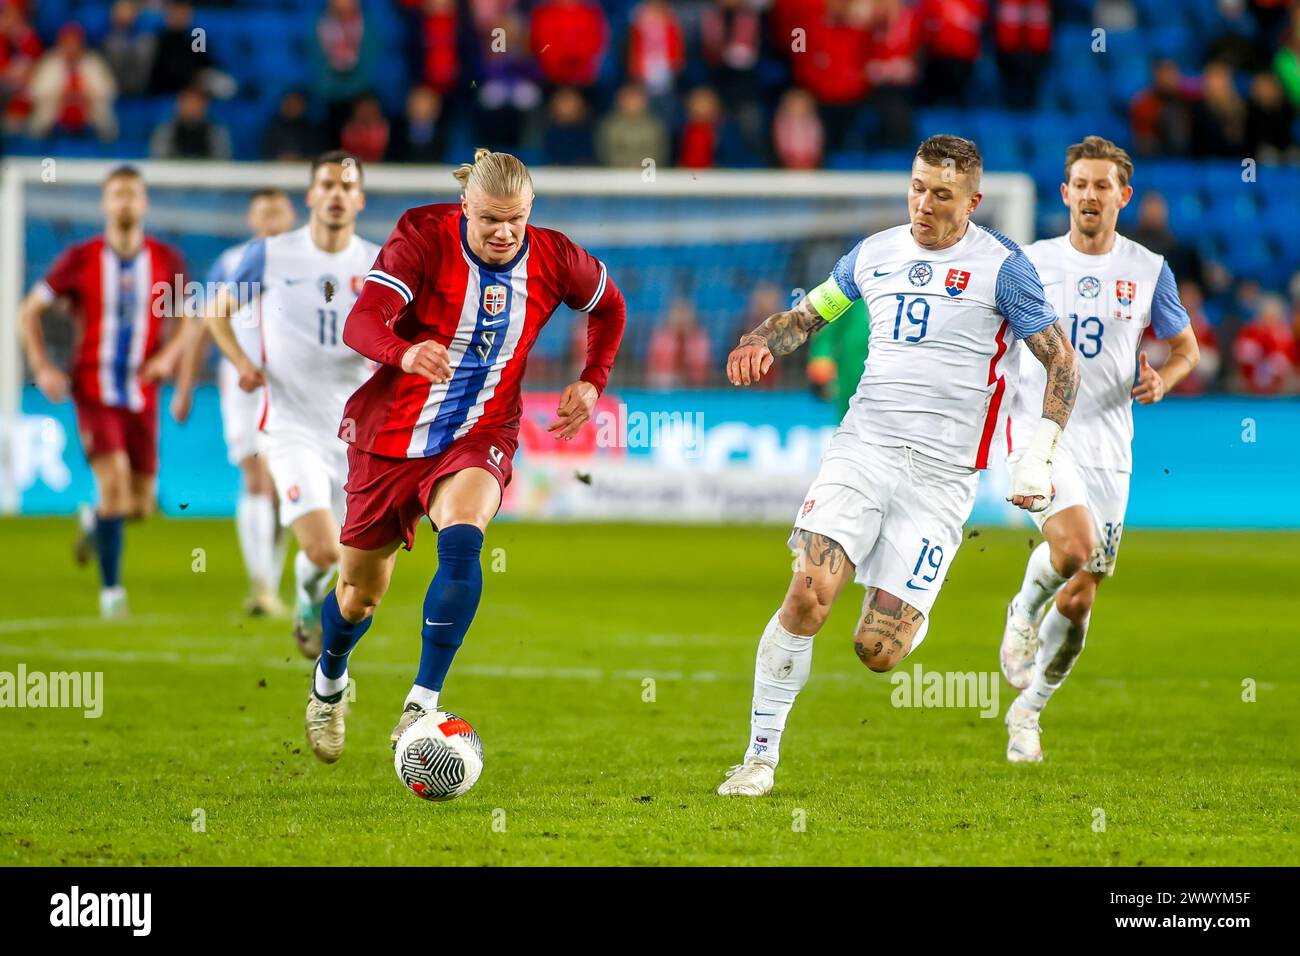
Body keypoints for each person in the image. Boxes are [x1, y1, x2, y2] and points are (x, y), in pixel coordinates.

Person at [716, 135, 1080, 797]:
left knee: (876, 652)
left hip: (942, 479)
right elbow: (808, 316)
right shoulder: (875, 254)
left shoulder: (1004, 267)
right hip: (864, 447)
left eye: (941, 194)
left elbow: (1061, 361)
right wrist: (764, 340)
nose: (923, 203)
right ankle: (759, 758)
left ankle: (911, 603)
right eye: (916, 187)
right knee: (806, 593)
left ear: (971, 200)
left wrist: (1041, 453)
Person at [302, 149, 626, 764]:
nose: (504, 233)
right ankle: (329, 683)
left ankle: (423, 701)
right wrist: (403, 352)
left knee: (463, 536)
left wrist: (593, 379)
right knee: (358, 598)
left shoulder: (556, 256)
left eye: (516, 221)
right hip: (392, 438)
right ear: (464, 208)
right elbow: (362, 321)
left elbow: (610, 306)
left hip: (482, 430)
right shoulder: (421, 236)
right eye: (490, 221)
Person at [998, 136, 1200, 763]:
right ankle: (1021, 612)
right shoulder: (1028, 263)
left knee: (1082, 594)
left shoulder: (1148, 270)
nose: (1090, 194)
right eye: (1079, 184)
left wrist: (1163, 377)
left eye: (1102, 185)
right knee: (1074, 546)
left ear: (1122, 196)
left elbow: (1186, 346)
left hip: (1110, 444)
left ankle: (1028, 712)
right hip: (1041, 431)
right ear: (1064, 193)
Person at [204, 152, 381, 657]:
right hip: (289, 425)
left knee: (348, 565)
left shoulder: (377, 262)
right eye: (327, 184)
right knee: (323, 547)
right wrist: (240, 360)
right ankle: (302, 601)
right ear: (311, 196)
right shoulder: (272, 254)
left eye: (346, 187)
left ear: (360, 200)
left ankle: (306, 598)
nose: (336, 194)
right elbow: (217, 311)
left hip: (354, 433)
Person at [17, 166, 190, 618]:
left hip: (142, 394)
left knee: (141, 505)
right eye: (117, 195)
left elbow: (189, 316)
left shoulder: (167, 259)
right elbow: (28, 311)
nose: (125, 203)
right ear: (105, 204)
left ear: (144, 203)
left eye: (133, 194)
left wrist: (168, 357)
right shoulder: (81, 258)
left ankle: (94, 522)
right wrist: (42, 366)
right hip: (93, 389)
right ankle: (112, 593)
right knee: (114, 491)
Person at [178, 189, 297, 615]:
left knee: (284, 490)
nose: (271, 219)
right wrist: (185, 387)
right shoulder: (231, 263)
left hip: (290, 385)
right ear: (251, 219)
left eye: (277, 210)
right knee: (256, 479)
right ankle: (261, 584)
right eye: (262, 212)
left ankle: (269, 584)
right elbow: (199, 325)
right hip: (242, 383)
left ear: (291, 216)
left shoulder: (305, 262)